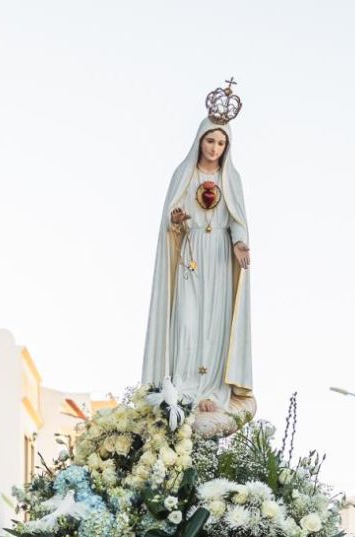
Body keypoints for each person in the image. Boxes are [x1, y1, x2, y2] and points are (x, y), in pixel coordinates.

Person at [141, 84, 255, 437]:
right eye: (210, 141)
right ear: (200, 141)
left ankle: (211, 393)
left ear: (227, 147)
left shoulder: (230, 179)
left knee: (214, 327)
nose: (214, 148)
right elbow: (169, 220)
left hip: (219, 261)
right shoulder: (184, 175)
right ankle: (186, 387)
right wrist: (176, 223)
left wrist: (240, 244)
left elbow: (238, 219)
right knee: (188, 324)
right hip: (190, 260)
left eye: (221, 143)